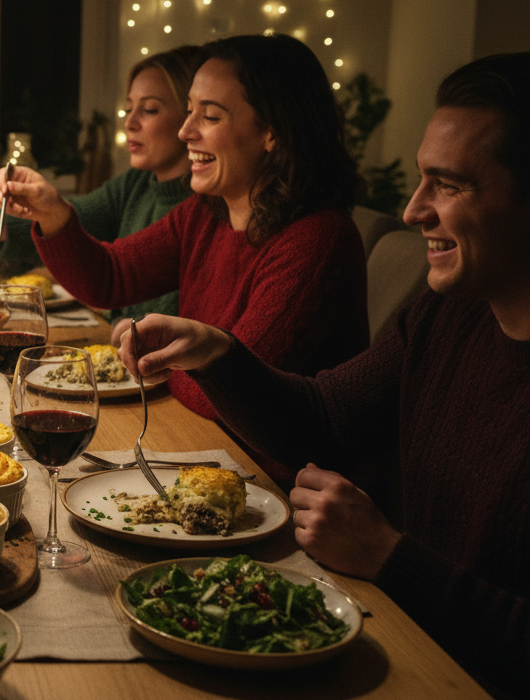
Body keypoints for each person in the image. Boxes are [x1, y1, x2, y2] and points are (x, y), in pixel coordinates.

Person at [116, 52, 530, 700]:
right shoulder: (448, 316)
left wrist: (390, 556)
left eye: (449, 185)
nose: (414, 208)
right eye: (422, 180)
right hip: (401, 638)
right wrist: (218, 353)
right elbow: (324, 419)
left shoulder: (331, 245)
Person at [0, 35, 369, 444]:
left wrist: (165, 361)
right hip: (203, 442)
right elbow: (111, 276)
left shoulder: (315, 241)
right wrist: (51, 212)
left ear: (273, 131)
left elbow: (224, 394)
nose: (186, 131)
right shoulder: (207, 211)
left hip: (279, 483)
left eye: (209, 116)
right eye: (189, 111)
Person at [0, 45, 200, 344]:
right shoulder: (136, 184)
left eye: (149, 110)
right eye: (128, 108)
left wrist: (132, 325)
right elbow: (72, 220)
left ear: (190, 116)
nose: (130, 122)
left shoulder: (203, 208)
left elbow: (113, 276)